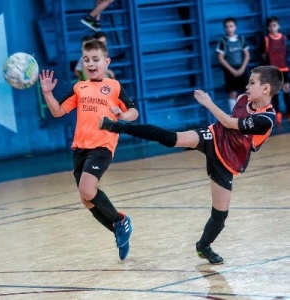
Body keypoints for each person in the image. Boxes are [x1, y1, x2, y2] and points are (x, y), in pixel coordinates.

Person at [99, 65, 283, 264]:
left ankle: (203, 246)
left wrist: (208, 103)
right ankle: (117, 126)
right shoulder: (242, 99)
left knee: (220, 216)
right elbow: (226, 127)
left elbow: (231, 123)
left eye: (252, 82)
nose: (247, 86)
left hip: (229, 161)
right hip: (213, 136)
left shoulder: (266, 119)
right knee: (171, 138)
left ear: (265, 89)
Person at [39, 39, 139, 260]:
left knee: (87, 189)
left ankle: (121, 221)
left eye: (96, 59)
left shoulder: (114, 86)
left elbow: (134, 112)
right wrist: (47, 93)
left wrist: (122, 115)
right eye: (86, 59)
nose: (91, 64)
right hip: (80, 148)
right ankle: (117, 228)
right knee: (87, 199)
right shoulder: (79, 88)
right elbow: (57, 111)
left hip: (103, 145)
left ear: (106, 61)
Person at [216, 17, 250, 113]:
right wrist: (232, 70)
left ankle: (245, 113)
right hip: (230, 69)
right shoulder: (223, 41)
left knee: (245, 92)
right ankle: (234, 115)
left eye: (231, 26)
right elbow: (221, 57)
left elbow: (247, 54)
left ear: (235, 27)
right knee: (232, 93)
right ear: (224, 29)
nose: (229, 29)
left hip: (241, 68)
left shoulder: (241, 39)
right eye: (227, 27)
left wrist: (242, 68)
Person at [261, 16, 290, 123]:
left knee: (286, 90)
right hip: (273, 70)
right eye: (271, 26)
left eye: (275, 25)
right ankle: (277, 113)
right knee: (275, 92)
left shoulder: (283, 37)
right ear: (268, 28)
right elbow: (264, 55)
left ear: (278, 26)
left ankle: (288, 111)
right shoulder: (266, 39)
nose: (273, 28)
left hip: (284, 68)